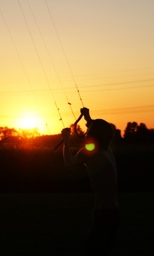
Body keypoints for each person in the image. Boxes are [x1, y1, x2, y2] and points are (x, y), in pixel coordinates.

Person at [61, 107, 120, 256]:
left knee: (91, 249)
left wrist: (66, 141)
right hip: (114, 213)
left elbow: (68, 163)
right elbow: (98, 130)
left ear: (94, 134)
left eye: (89, 129)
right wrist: (87, 117)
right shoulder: (107, 150)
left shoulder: (91, 151)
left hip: (103, 213)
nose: (86, 131)